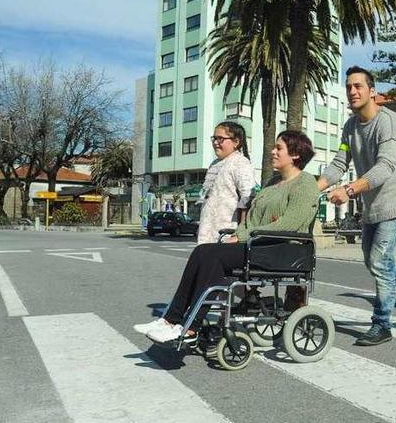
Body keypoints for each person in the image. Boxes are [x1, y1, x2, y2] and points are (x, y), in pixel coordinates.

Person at [133, 130, 319, 343]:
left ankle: (191, 327)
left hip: (284, 249)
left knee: (214, 256)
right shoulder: (271, 183)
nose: (273, 151)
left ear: (295, 154)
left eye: (279, 148)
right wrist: (239, 234)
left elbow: (291, 223)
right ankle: (170, 319)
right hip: (259, 244)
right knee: (203, 251)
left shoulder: (306, 183)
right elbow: (251, 221)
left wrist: (244, 236)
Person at [318, 66, 396, 347]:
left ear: (372, 91)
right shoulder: (350, 127)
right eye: (348, 87)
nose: (352, 91)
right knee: (374, 262)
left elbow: (385, 167)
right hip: (372, 206)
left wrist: (348, 189)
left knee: (380, 262)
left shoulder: (389, 122)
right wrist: (314, 186)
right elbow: (339, 163)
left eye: (358, 86)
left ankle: (382, 324)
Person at [196, 121, 256, 244]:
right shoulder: (214, 163)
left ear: (236, 142)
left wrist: (241, 234)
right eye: (214, 138)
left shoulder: (240, 163)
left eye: (221, 139)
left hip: (226, 235)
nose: (216, 142)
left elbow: (248, 199)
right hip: (207, 234)